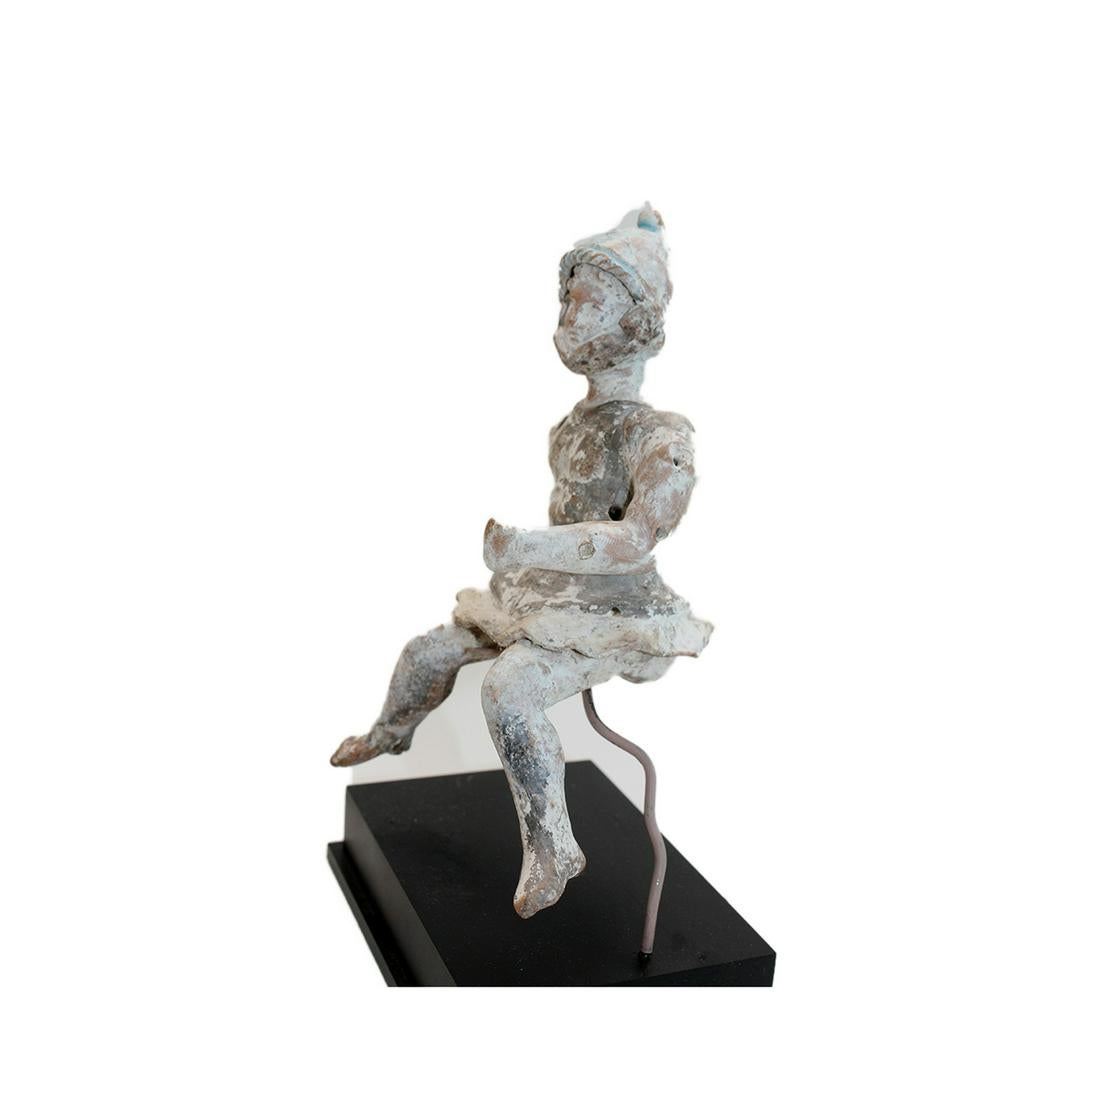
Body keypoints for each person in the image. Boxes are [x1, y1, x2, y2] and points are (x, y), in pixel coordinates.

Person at [331, 205, 711, 918]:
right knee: (428, 652)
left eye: (585, 304)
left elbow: (635, 538)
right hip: (551, 590)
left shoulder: (660, 437)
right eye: (565, 302)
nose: (567, 318)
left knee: (510, 691)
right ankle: (391, 733)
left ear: (635, 322)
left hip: (616, 607)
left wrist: (526, 546)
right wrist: (529, 559)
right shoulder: (569, 428)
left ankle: (553, 844)